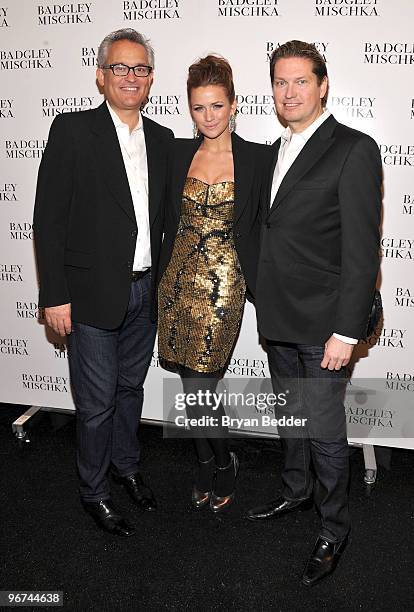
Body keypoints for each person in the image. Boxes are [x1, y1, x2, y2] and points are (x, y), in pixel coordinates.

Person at [247, 41, 382, 585]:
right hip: (278, 317)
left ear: (323, 85)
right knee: (293, 418)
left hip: (326, 325)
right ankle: (295, 492)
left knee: (326, 431)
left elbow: (362, 251)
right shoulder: (272, 150)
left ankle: (333, 529)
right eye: (280, 82)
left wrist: (347, 331)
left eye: (300, 80)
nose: (289, 91)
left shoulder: (354, 148)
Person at [33, 28, 173, 537]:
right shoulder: (71, 131)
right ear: (101, 75)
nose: (130, 77)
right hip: (89, 296)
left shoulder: (161, 139)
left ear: (151, 78)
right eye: (120, 68)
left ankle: (126, 467)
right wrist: (54, 296)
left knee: (130, 389)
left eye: (140, 69)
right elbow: (48, 220)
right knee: (95, 405)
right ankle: (94, 492)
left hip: (145, 291)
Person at [157, 55, 268, 513]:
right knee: (190, 387)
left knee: (202, 383)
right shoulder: (177, 153)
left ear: (234, 104)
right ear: (190, 108)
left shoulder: (259, 158)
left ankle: (223, 461)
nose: (208, 117)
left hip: (224, 285)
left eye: (217, 106)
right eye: (199, 107)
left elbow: (268, 227)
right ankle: (206, 457)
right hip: (176, 280)